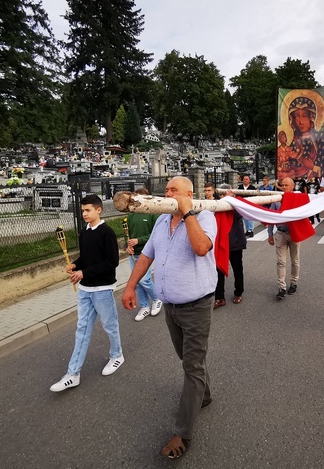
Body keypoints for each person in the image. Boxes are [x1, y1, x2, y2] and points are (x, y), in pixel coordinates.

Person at [121, 176, 217, 460]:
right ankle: (206, 395)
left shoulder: (206, 215)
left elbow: (202, 248)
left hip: (197, 305)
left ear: (189, 193)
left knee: (192, 365)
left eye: (174, 190)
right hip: (170, 307)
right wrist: (129, 285)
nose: (167, 193)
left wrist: (187, 212)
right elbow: (146, 256)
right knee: (188, 360)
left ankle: (182, 433)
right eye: (166, 190)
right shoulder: (163, 220)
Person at [50, 194, 123, 392]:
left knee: (110, 325)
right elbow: (86, 257)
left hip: (102, 289)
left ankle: (117, 355)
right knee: (82, 330)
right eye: (82, 211)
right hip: (84, 289)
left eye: (88, 210)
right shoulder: (84, 232)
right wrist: (76, 264)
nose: (84, 214)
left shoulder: (107, 232)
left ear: (99, 210)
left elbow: (111, 262)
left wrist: (84, 272)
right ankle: (73, 374)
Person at [206, 183, 246, 308]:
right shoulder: (217, 205)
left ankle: (238, 292)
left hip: (235, 243)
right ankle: (219, 297)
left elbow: (240, 215)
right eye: (221, 194)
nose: (223, 197)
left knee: (237, 269)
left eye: (225, 194)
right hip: (220, 243)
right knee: (218, 270)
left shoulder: (237, 205)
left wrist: (232, 201)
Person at [126, 188, 162, 322]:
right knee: (137, 281)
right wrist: (128, 246)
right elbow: (128, 235)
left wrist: (139, 240)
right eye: (137, 198)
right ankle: (145, 306)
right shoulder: (132, 215)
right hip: (134, 253)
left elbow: (156, 234)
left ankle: (157, 299)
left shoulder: (153, 214)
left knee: (144, 279)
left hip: (147, 252)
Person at [267, 177, 301, 300]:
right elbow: (271, 217)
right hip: (280, 233)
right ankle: (282, 287)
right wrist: (270, 234)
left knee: (295, 261)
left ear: (293, 186)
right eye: (283, 185)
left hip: (294, 233)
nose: (285, 187)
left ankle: (294, 282)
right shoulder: (276, 200)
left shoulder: (298, 199)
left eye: (287, 185)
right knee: (281, 262)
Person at [287, 96, 324, 179]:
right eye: (296, 116)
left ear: (311, 117)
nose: (301, 122)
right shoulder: (291, 140)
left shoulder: (321, 137)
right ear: (292, 119)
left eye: (304, 116)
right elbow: (291, 165)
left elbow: (322, 166)